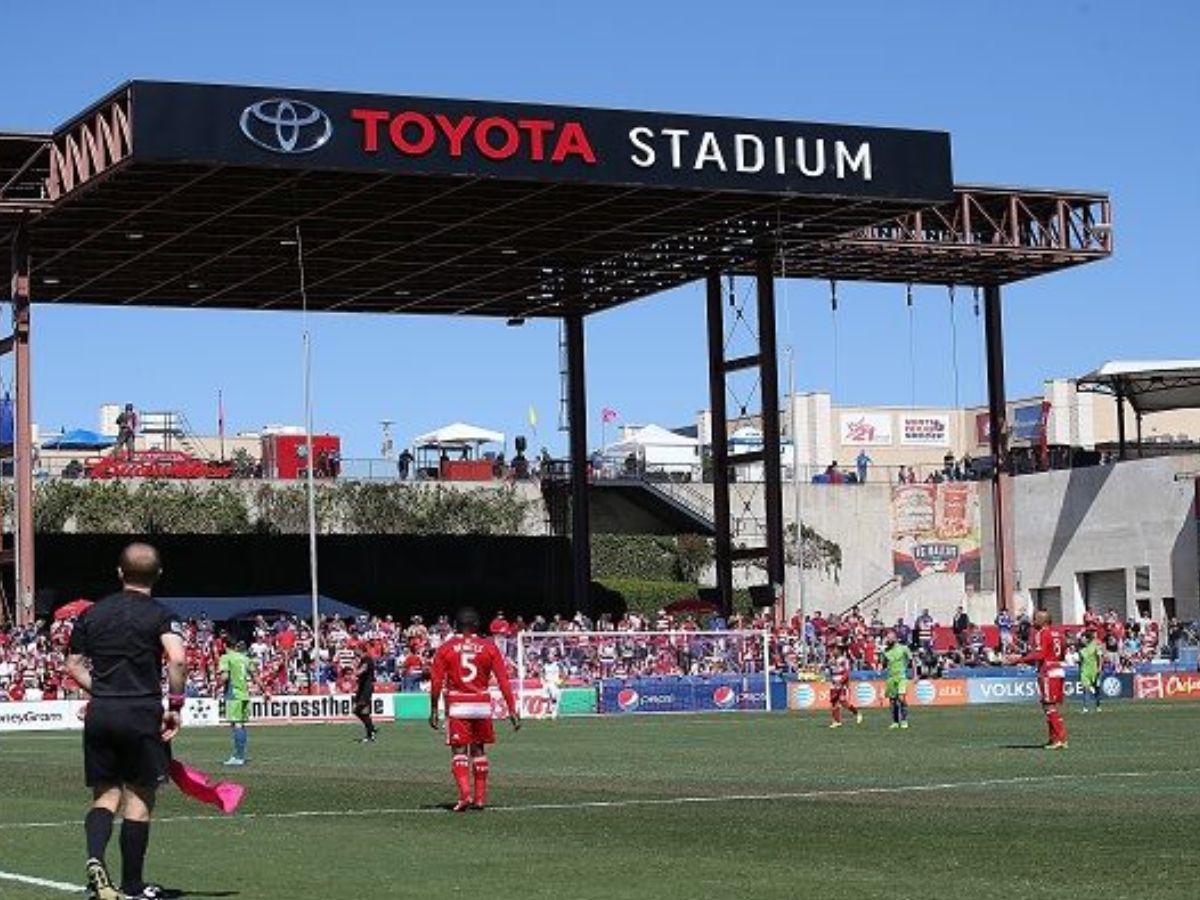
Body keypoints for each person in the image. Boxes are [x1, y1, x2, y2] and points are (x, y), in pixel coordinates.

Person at [65, 543, 187, 900]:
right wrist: (175, 704)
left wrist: (103, 690)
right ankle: (133, 884)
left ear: (120, 573)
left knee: (105, 795)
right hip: (142, 711)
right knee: (139, 797)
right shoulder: (160, 613)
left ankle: (95, 862)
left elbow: (72, 665)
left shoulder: (92, 614)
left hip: (102, 711)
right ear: (158, 574)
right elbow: (177, 660)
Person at [429, 607, 521, 812]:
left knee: (459, 750)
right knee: (479, 750)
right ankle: (479, 799)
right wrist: (512, 709)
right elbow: (503, 679)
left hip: (458, 703)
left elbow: (436, 681)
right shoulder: (488, 647)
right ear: (477, 626)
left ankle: (464, 796)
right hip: (481, 703)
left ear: (456, 626)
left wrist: (434, 708)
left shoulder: (446, 648)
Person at [1008, 610, 1068, 749]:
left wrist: (1019, 660)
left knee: (1049, 705)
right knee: (1050, 706)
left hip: (1047, 672)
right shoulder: (1058, 633)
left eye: (1035, 619)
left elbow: (1040, 655)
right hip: (1058, 669)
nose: (1032, 621)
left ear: (1042, 621)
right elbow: (1061, 654)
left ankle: (1060, 739)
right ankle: (1054, 739)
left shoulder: (1041, 633)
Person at [217, 639, 257, 766]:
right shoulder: (245, 658)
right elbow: (255, 676)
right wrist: (265, 691)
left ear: (225, 645)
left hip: (233, 694)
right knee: (241, 725)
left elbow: (225, 677)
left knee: (237, 725)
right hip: (245, 694)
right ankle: (241, 755)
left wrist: (215, 687)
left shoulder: (226, 657)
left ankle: (238, 757)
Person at [882, 630, 915, 729]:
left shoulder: (903, 648)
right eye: (887, 638)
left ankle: (904, 720)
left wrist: (915, 674)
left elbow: (912, 661)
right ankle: (895, 722)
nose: (888, 639)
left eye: (890, 637)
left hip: (901, 677)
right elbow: (884, 664)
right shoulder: (886, 651)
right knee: (892, 701)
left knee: (901, 698)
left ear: (895, 638)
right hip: (891, 678)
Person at [826, 644, 862, 728]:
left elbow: (846, 672)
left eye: (834, 650)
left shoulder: (844, 660)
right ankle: (836, 721)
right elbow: (831, 671)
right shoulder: (831, 660)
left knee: (843, 701)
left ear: (839, 651)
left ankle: (857, 713)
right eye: (832, 650)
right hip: (834, 683)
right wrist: (830, 678)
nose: (833, 651)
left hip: (841, 683)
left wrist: (842, 681)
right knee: (834, 702)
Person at [353, 645, 378, 742]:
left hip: (366, 688)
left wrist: (356, 669)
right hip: (361, 688)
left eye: (356, 649)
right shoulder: (362, 660)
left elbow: (360, 672)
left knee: (362, 709)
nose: (354, 651)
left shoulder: (367, 659)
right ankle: (371, 729)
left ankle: (371, 733)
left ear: (360, 650)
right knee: (357, 711)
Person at [1078, 630, 1104, 714]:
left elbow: (1100, 657)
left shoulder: (1095, 645)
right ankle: (1085, 708)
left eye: (1083, 638)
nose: (1081, 639)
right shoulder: (1081, 649)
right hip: (1084, 672)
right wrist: (1080, 669)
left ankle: (1098, 706)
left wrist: (1099, 668)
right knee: (1086, 689)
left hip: (1094, 671)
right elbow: (1081, 661)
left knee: (1097, 689)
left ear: (1087, 639)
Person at [543, 654, 563, 721]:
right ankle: (544, 713)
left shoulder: (557, 664)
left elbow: (563, 673)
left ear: (554, 658)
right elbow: (543, 673)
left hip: (554, 683)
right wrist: (543, 680)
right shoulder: (545, 665)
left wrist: (561, 681)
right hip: (546, 683)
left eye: (551, 657)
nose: (550, 658)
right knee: (545, 698)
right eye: (549, 657)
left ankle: (554, 713)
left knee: (554, 698)